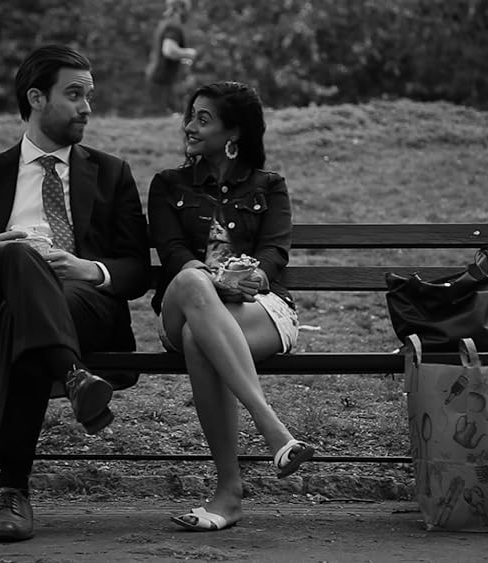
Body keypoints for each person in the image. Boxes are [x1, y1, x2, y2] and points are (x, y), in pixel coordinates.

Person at [0, 44, 151, 542]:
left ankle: (12, 489)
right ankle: (72, 373)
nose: (87, 108)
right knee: (17, 254)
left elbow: (137, 269)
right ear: (35, 97)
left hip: (80, 304)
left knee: (22, 319)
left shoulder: (112, 173)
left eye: (89, 96)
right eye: (74, 95)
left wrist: (86, 267)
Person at [147, 81, 314, 532]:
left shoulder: (269, 186)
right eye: (191, 115)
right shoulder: (168, 185)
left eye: (204, 119)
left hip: (257, 309)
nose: (189, 126)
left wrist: (257, 275)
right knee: (191, 279)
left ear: (234, 132)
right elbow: (172, 252)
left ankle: (229, 493)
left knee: (198, 340)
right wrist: (214, 279)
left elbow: (275, 252)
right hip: (185, 300)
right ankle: (272, 429)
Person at [145, 0, 198, 115]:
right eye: (187, 9)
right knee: (167, 118)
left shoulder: (165, 23)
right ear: (180, 8)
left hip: (157, 79)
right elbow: (169, 50)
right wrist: (188, 53)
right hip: (163, 81)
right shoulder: (174, 26)